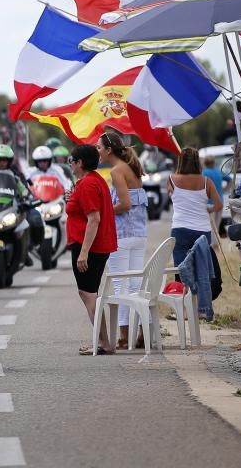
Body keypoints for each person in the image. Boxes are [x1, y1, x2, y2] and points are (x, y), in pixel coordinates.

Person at [96, 132, 147, 350]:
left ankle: (125, 336)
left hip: (123, 235)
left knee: (120, 286)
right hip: (139, 234)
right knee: (135, 285)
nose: (97, 151)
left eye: (99, 147)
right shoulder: (131, 168)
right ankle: (144, 331)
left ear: (108, 150)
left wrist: (104, 211)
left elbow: (124, 204)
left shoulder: (116, 171)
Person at [65, 144, 117, 355]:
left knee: (88, 294)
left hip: (88, 246)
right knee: (89, 293)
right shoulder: (92, 181)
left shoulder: (87, 184)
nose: (70, 165)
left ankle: (104, 342)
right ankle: (102, 340)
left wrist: (84, 252)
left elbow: (94, 219)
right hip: (93, 244)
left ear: (80, 163)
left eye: (72, 161)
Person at [169, 147, 222, 274]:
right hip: (202, 230)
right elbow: (219, 204)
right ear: (197, 162)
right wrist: (210, 209)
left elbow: (172, 197)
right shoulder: (206, 182)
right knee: (202, 272)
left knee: (181, 271)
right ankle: (200, 294)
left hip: (180, 228)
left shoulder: (171, 180)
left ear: (180, 161)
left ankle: (183, 292)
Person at [201, 154, 230, 235]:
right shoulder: (219, 171)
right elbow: (230, 180)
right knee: (216, 227)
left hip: (209, 203)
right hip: (220, 201)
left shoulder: (204, 173)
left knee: (209, 227)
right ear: (213, 162)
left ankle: (211, 245)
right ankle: (215, 244)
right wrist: (224, 189)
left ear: (205, 163)